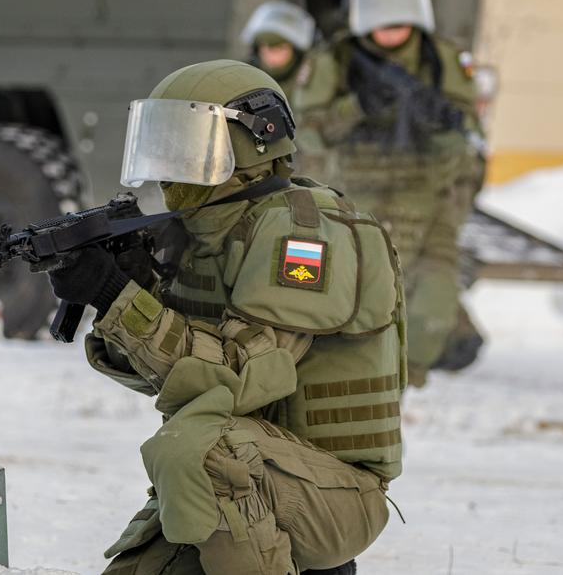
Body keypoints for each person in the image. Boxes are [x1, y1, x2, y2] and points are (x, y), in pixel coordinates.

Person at [48, 59, 404, 574]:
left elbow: (240, 373)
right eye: (164, 142)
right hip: (247, 480)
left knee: (199, 446)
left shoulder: (305, 234)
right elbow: (170, 379)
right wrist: (130, 290)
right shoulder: (202, 233)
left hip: (332, 492)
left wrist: (118, 297)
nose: (172, 164)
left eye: (188, 143)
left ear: (256, 140)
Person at [293, 0, 486, 386]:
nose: (392, 34)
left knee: (431, 311)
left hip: (427, 200)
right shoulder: (334, 62)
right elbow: (305, 131)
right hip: (352, 202)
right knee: (352, 308)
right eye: (382, 26)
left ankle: (397, 385)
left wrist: (444, 126)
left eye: (400, 25)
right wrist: (356, 108)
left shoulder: (442, 59)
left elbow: (468, 133)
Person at [240, 1, 318, 95]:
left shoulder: (310, 78)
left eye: (280, 48)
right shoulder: (243, 77)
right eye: (267, 47)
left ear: (295, 51)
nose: (272, 55)